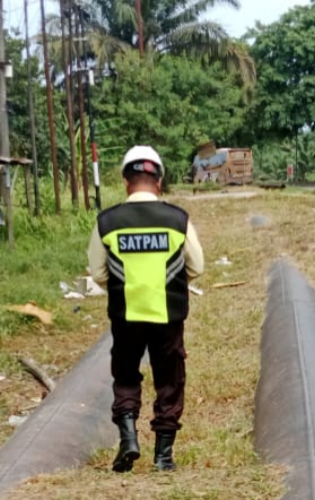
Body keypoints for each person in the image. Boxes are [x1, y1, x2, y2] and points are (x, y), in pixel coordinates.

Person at [88, 146, 204, 473]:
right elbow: (197, 265)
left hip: (126, 314)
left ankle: (128, 439)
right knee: (169, 379)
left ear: (126, 182)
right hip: (168, 312)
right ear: (160, 181)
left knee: (126, 375)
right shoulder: (177, 219)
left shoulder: (107, 222)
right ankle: (163, 456)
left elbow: (97, 272)